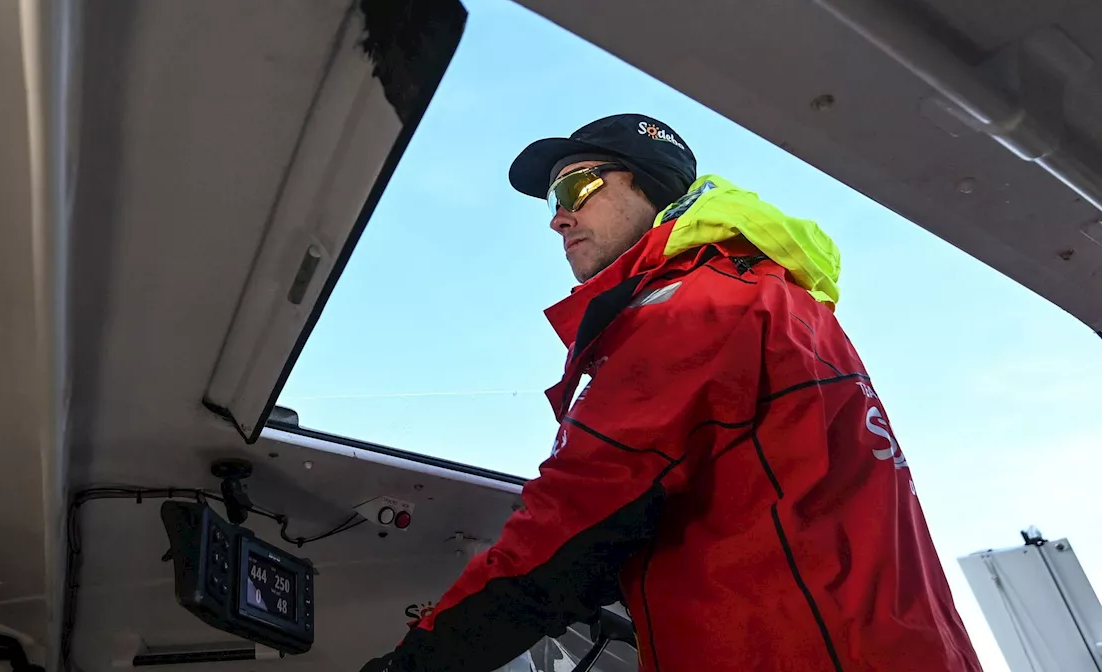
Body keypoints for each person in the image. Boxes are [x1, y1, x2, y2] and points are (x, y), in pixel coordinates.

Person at [361, 114, 982, 671]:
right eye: (553, 199)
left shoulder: (694, 310)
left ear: (649, 184)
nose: (558, 215)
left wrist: (416, 663)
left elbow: (577, 521)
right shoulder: (770, 297)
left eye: (576, 188)